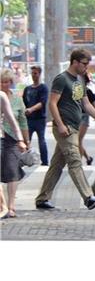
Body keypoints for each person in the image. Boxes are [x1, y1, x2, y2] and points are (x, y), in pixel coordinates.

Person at [34, 49, 95, 211]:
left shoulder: (79, 80)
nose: (86, 67)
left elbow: (86, 103)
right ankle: (88, 197)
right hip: (65, 128)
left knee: (56, 165)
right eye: (84, 64)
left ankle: (42, 198)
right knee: (75, 161)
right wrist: (60, 124)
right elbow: (52, 103)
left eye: (87, 64)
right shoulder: (61, 79)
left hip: (74, 127)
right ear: (74, 62)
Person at [1, 69, 30, 219]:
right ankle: (3, 205)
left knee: (12, 171)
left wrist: (25, 139)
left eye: (7, 82)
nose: (5, 84)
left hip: (12, 139)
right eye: (2, 82)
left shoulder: (17, 99)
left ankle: (11, 206)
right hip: (1, 137)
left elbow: (21, 121)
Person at [23, 65, 49, 165]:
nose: (34, 75)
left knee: (41, 140)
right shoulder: (27, 89)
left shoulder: (43, 88)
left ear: (39, 74)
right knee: (26, 140)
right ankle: (25, 160)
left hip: (40, 119)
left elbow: (42, 103)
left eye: (35, 73)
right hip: (28, 120)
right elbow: (24, 103)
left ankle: (45, 162)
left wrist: (31, 109)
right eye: (32, 73)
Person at [77, 71, 95, 166]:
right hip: (76, 117)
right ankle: (88, 158)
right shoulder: (76, 92)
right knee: (77, 141)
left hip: (84, 117)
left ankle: (79, 162)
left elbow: (94, 106)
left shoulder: (88, 92)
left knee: (78, 140)